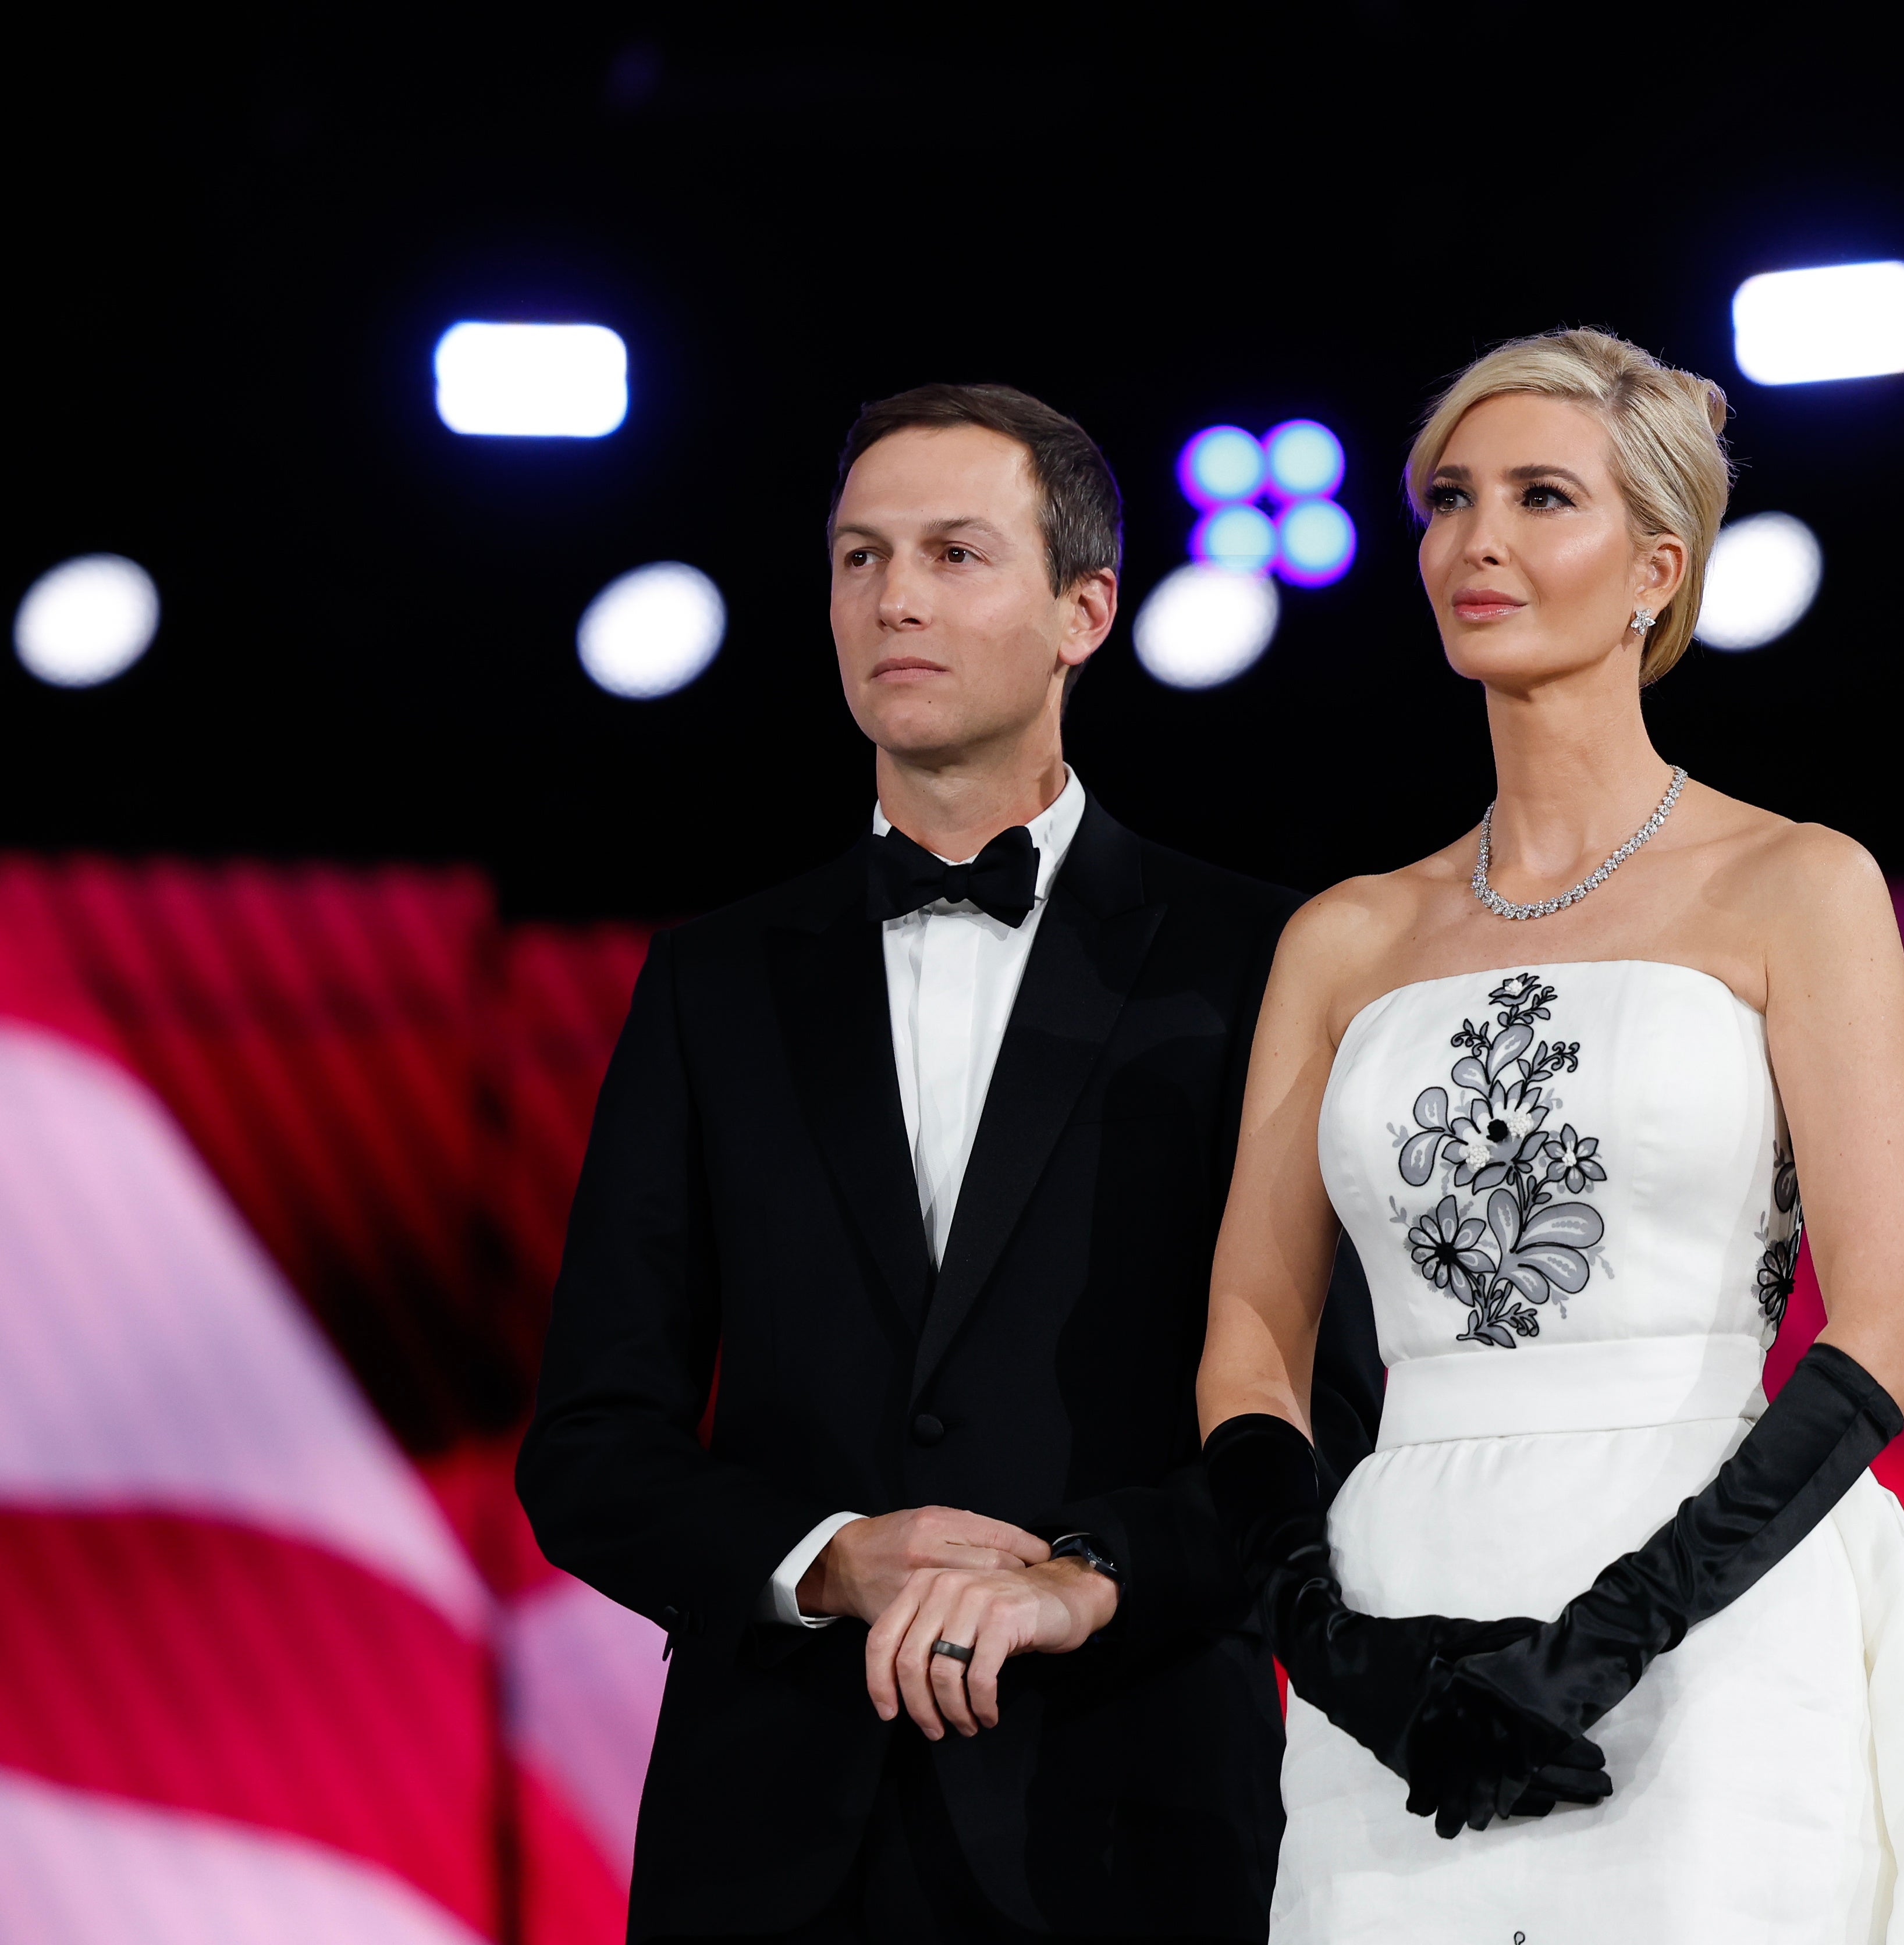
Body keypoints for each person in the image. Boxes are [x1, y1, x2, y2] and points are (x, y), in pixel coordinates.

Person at [1192, 330, 1904, 1942]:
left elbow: (1894, 1330)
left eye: (1543, 498)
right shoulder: (1344, 937)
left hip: (1712, 1605)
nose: (1479, 540)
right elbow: (1250, 1349)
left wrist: (1609, 1640)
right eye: (1450, 499)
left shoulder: (1794, 885)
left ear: (1656, 571)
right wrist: (1343, 1657)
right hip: (1401, 1627)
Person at [519, 382, 1384, 1944]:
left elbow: (1338, 1413)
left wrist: (1089, 1576)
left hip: (1129, 1823)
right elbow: (590, 1446)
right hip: (769, 1841)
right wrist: (829, 1561)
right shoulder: (712, 980)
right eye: (860, 558)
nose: (894, 599)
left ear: (1084, 611)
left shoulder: (1263, 961)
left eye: (954, 554)